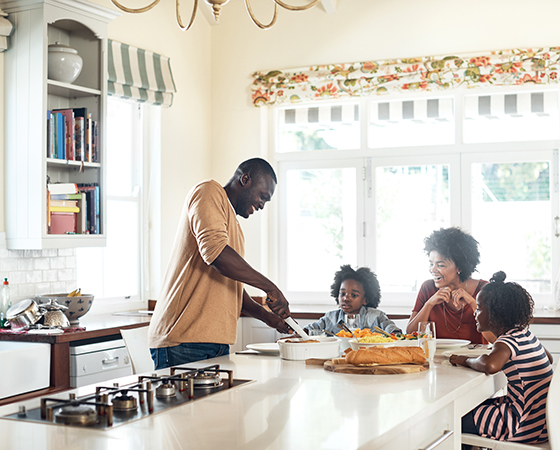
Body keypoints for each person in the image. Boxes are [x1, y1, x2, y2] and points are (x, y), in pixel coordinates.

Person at [148, 158, 291, 369]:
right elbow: (217, 255)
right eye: (263, 197)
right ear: (245, 179)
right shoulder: (208, 191)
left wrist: (269, 318)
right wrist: (270, 287)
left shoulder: (232, 226)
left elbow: (231, 288)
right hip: (183, 341)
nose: (262, 205)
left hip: (215, 344)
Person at [450, 271, 553, 446]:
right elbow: (549, 358)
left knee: (455, 416)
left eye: (480, 308)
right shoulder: (525, 334)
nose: (475, 312)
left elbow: (491, 365)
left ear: (496, 314)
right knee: (475, 406)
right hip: (543, 424)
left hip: (521, 425)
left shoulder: (506, 341)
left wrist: (465, 360)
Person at [406, 227, 495, 344]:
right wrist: (429, 304)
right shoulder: (427, 288)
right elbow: (410, 334)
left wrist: (473, 303)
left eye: (441, 265)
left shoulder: (484, 290)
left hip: (473, 359)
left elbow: (494, 339)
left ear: (460, 267)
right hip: (436, 358)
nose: (433, 270)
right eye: (431, 263)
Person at [304, 265, 401, 336]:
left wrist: (394, 333)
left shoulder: (376, 316)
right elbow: (312, 329)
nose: (346, 298)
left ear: (365, 300)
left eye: (354, 295)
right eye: (342, 294)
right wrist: (301, 332)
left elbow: (390, 328)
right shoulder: (330, 317)